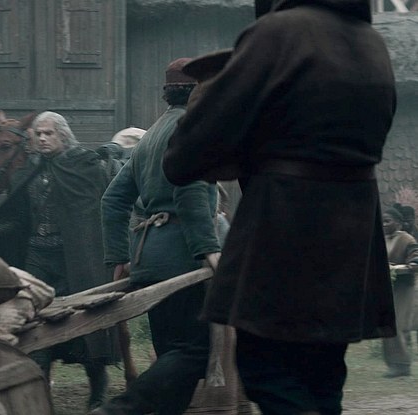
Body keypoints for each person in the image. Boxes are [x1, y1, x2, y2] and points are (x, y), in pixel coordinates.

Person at [162, 0, 398, 413]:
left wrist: (207, 97)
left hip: (285, 227)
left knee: (270, 372)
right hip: (351, 236)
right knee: (322, 379)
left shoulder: (279, 32)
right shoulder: (371, 42)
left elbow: (187, 155)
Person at [0, 111, 118, 410]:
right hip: (37, 256)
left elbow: (94, 211)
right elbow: (18, 221)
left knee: (85, 320)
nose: (43, 138)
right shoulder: (30, 171)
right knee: (34, 320)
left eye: (49, 133)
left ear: (63, 135)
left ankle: (98, 387)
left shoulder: (82, 165)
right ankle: (40, 391)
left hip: (73, 258)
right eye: (39, 134)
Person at [91, 58, 221, 415]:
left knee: (172, 356)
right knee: (195, 351)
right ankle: (118, 410)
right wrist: (207, 248)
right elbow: (189, 188)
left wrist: (119, 256)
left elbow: (112, 200)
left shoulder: (151, 135)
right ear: (199, 92)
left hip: (149, 257)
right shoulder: (191, 129)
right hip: (181, 257)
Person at [381, 206, 418, 378]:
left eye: (388, 221)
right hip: (387, 288)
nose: (384, 224)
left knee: (397, 324)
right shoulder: (382, 240)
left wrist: (407, 265)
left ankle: (402, 365)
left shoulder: (407, 239)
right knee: (385, 324)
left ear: (397, 222)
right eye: (383, 221)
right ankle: (393, 363)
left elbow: (415, 258)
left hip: (404, 288)